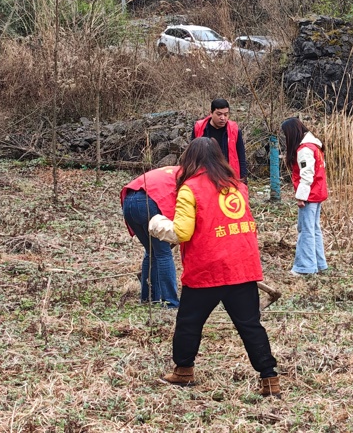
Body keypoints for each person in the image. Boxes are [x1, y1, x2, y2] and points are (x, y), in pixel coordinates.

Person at [151, 137, 280, 396]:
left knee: (189, 322)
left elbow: (182, 232)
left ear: (190, 159)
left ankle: (184, 370)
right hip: (242, 266)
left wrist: (157, 225)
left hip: (207, 268)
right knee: (250, 325)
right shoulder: (238, 187)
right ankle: (269, 379)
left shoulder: (190, 188)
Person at [120, 166, 181, 308]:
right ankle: (170, 302)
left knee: (151, 251)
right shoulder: (192, 177)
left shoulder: (177, 171)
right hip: (148, 201)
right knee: (163, 253)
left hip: (128, 201)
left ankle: (148, 298)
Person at [282, 118, 328, 276]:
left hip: (310, 194)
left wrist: (301, 196)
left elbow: (306, 175)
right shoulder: (315, 145)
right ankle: (319, 263)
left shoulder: (304, 149)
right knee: (314, 229)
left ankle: (305, 267)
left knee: (306, 230)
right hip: (318, 192)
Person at [192, 98, 248, 180]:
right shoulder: (199, 128)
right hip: (204, 175)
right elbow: (192, 155)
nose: (223, 118)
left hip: (228, 175)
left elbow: (241, 156)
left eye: (226, 115)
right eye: (219, 114)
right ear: (211, 113)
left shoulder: (234, 130)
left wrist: (243, 179)